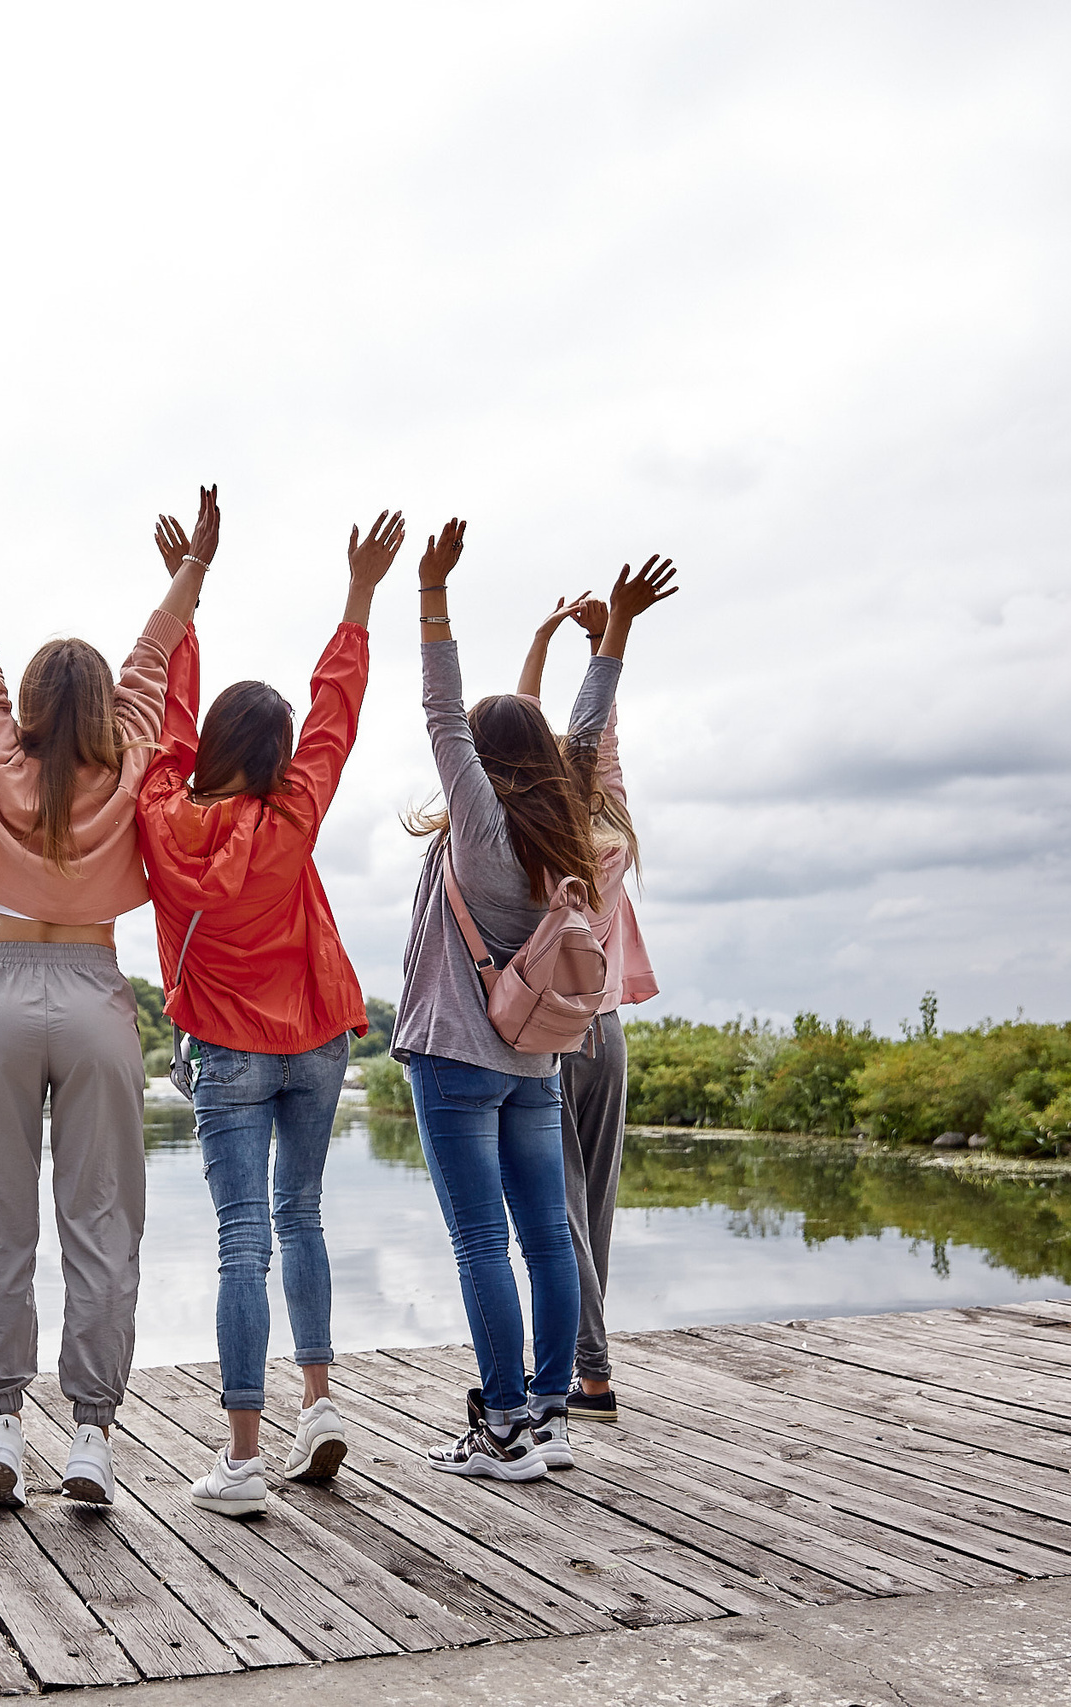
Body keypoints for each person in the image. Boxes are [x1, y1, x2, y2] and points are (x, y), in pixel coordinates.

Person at [0, 467, 213, 1507]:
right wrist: (189, 574)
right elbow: (149, 660)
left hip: (3, 992)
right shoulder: (131, 750)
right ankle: (90, 1438)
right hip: (93, 993)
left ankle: (1, 1423)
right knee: (101, 1220)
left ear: (30, 705)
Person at [138, 509, 407, 1518]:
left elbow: (167, 718)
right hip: (316, 1046)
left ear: (212, 747)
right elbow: (337, 709)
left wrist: (185, 597)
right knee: (302, 1218)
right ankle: (320, 1402)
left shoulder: (163, 813)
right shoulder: (295, 811)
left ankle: (243, 1463)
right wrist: (361, 593)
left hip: (226, 1049)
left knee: (241, 1237)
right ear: (280, 755)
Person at [391, 521, 658, 1479]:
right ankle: (548, 1417)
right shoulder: (569, 833)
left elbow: (441, 711)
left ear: (481, 766)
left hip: (458, 1058)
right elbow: (581, 737)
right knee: (547, 1234)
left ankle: (501, 1424)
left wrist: (432, 593)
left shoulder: (481, 831)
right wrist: (612, 639)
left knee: (480, 1243)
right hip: (536, 1062)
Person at [515, 569, 677, 1432]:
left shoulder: (538, 827)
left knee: (560, 1209)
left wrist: (550, 643)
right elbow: (591, 736)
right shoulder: (608, 820)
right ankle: (590, 1367)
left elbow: (525, 736)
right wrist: (604, 639)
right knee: (595, 1205)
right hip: (607, 1030)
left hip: (551, 1035)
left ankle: (593, 1371)